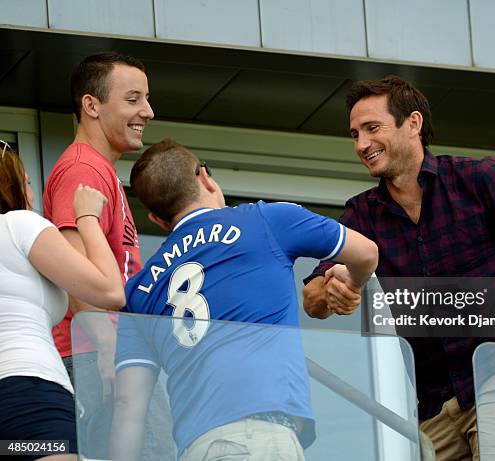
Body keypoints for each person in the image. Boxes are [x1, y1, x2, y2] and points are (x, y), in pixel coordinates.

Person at [303, 75, 495, 460]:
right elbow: (313, 297)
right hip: (431, 411)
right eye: (354, 134)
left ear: (414, 124)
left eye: (372, 128)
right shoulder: (361, 215)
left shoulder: (478, 180)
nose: (362, 144)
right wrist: (330, 290)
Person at [109, 138, 378, 461]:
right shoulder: (265, 220)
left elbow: (128, 409)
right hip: (259, 438)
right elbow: (366, 252)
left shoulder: (137, 292)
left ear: (157, 220)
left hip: (196, 448)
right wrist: (352, 283)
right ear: (205, 177)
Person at [42, 52, 157, 458]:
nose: (148, 111)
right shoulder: (82, 170)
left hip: (107, 352)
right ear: (91, 106)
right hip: (97, 354)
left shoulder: (98, 170)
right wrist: (111, 350)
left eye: (145, 99)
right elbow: (74, 275)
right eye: (132, 99)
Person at [0, 143, 125, 461]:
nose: (31, 191)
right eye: (27, 181)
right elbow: (109, 290)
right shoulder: (18, 225)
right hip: (29, 396)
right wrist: (87, 218)